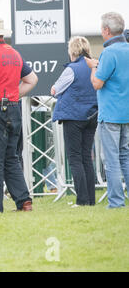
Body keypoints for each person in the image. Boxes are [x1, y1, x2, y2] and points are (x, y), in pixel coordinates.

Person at [0, 17, 38, 213]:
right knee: (11, 156)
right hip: (13, 107)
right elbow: (32, 79)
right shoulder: (15, 54)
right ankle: (24, 201)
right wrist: (12, 96)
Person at [85, 12, 129, 209]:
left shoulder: (109, 53)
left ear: (106, 30)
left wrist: (93, 67)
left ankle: (116, 202)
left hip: (110, 113)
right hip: (126, 112)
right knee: (125, 157)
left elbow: (97, 83)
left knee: (111, 161)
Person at [51, 36, 98, 207]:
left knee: (75, 158)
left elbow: (55, 90)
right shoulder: (95, 65)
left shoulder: (72, 69)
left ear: (73, 50)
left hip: (73, 116)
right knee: (87, 157)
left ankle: (82, 200)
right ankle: (91, 200)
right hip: (92, 116)